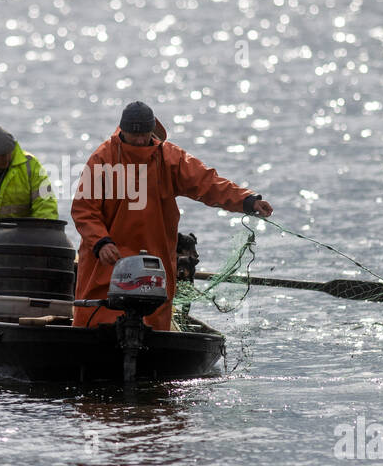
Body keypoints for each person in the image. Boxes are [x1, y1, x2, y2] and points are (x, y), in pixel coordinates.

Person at [71, 101, 273, 331]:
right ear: (122, 130)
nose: (139, 140)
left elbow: (207, 183)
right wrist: (100, 241)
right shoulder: (102, 159)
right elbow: (84, 210)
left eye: (144, 135)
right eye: (133, 134)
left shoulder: (170, 158)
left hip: (154, 258)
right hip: (108, 259)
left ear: (152, 131)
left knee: (154, 322)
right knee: (98, 318)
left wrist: (247, 200)